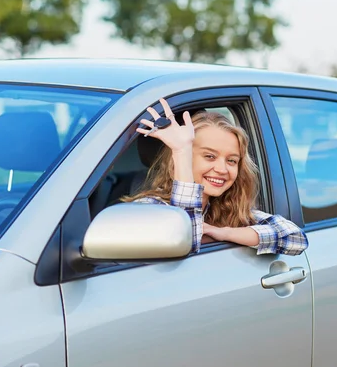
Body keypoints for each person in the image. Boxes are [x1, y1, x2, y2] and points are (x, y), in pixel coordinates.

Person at [123, 98, 308, 256]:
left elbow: (295, 238)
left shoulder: (224, 208)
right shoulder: (149, 208)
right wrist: (181, 150)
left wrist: (222, 233)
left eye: (232, 160)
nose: (222, 169)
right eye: (209, 156)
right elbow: (187, 240)